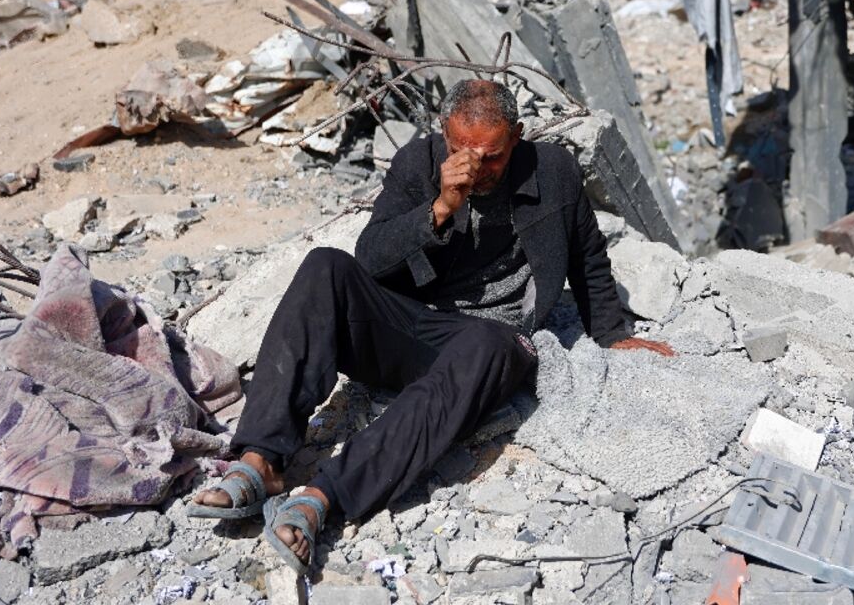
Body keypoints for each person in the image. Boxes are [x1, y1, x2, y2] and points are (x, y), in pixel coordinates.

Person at [188, 79, 674, 572]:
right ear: (445, 134)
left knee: (489, 340)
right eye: (464, 151)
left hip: (491, 343)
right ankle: (260, 460)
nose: (479, 168)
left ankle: (325, 494)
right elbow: (371, 259)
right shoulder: (417, 165)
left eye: (494, 156)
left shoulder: (555, 171)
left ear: (518, 136)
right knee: (324, 267)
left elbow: (588, 256)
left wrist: (614, 336)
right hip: (414, 329)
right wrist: (440, 208)